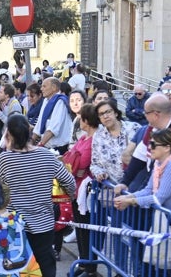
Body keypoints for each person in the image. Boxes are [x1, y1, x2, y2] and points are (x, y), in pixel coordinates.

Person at [0, 114, 76, 277]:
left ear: (9, 135)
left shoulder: (5, 159)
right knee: (45, 264)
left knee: (19, 267)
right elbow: (70, 182)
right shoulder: (47, 156)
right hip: (44, 224)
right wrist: (70, 196)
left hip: (16, 225)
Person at [113, 128, 171, 274]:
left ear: (167, 148)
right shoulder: (159, 162)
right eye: (149, 144)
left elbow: (160, 196)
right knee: (161, 264)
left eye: (154, 145)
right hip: (165, 220)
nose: (149, 148)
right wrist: (128, 197)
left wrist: (131, 201)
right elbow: (149, 190)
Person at [62, 104, 99, 277]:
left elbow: (81, 165)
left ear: (86, 120)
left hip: (86, 190)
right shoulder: (83, 138)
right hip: (76, 188)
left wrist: (73, 162)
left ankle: (90, 266)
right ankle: (83, 262)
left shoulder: (93, 140)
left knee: (87, 228)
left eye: (81, 118)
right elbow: (70, 159)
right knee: (80, 227)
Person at [90, 99, 140, 183]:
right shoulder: (98, 136)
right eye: (101, 114)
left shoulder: (134, 128)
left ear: (116, 113)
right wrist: (100, 173)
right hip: (111, 187)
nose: (105, 116)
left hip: (135, 184)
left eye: (108, 112)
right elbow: (94, 164)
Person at [32, 77, 73, 156]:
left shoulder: (60, 101)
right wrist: (30, 143)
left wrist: (39, 146)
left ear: (54, 88)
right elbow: (39, 124)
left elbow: (53, 129)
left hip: (59, 149)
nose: (41, 89)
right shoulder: (46, 100)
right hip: (46, 146)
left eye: (44, 86)